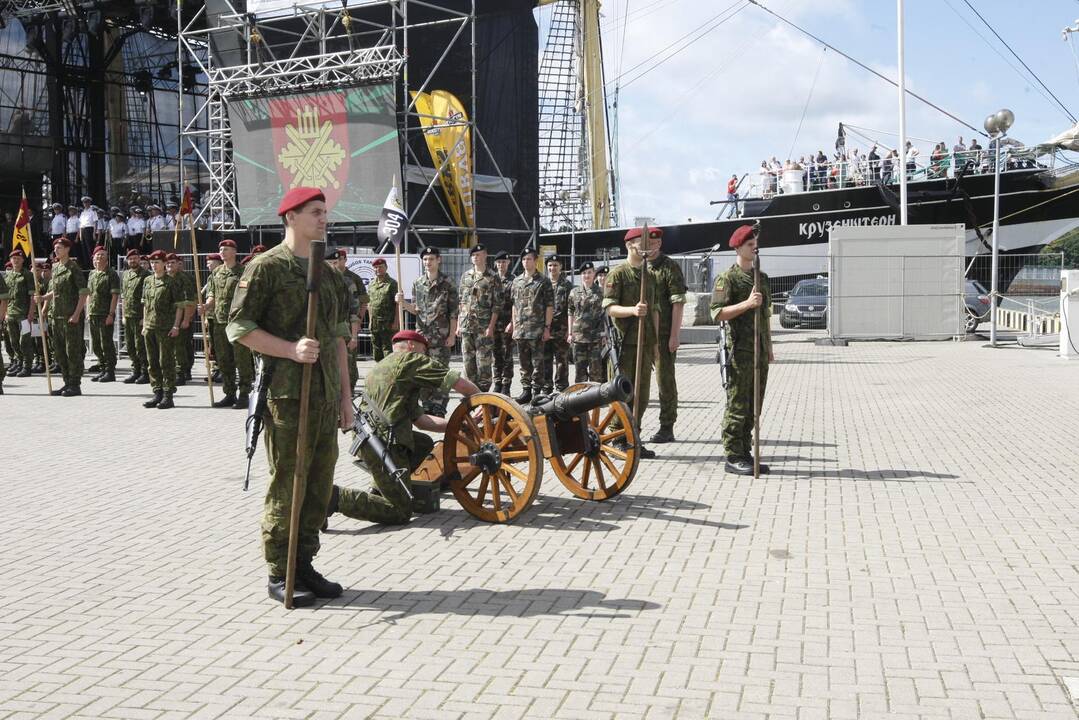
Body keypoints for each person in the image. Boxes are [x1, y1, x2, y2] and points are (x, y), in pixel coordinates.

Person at [227, 186, 352, 607]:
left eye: (325, 212)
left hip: (324, 397)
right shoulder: (266, 268)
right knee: (289, 484)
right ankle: (280, 571)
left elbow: (337, 341)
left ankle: (304, 563)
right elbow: (239, 328)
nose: (323, 219)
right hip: (286, 398)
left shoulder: (330, 274)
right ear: (290, 217)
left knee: (318, 487)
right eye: (315, 212)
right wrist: (290, 349)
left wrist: (346, 401)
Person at [324, 330, 481, 528]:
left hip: (371, 441)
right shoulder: (410, 360)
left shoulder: (383, 367)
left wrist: (458, 425)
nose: (425, 358)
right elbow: (455, 382)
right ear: (412, 346)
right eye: (424, 352)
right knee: (400, 511)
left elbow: (422, 421)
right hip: (385, 442)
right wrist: (483, 401)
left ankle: (381, 487)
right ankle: (334, 498)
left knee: (423, 443)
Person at [709, 224, 773, 476]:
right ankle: (733, 454)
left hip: (758, 350)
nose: (754, 247)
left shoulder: (762, 277)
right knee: (737, 405)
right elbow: (717, 313)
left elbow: (766, 315)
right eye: (749, 244)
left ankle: (746, 451)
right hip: (738, 352)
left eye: (755, 243)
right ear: (738, 247)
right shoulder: (728, 278)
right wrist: (746, 304)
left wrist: (768, 346)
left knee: (753, 406)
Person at [602, 227, 661, 459]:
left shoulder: (650, 276)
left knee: (642, 395)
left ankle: (634, 436)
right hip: (623, 346)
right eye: (640, 242)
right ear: (629, 245)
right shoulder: (618, 274)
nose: (645, 246)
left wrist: (655, 343)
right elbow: (609, 308)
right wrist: (632, 311)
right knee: (621, 394)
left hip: (644, 345)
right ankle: (617, 437)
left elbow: (654, 311)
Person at [397, 246, 458, 416]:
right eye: (425, 259)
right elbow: (416, 310)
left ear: (438, 260)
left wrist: (452, 335)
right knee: (422, 371)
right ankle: (426, 404)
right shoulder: (418, 283)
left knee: (440, 371)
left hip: (441, 336)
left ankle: (439, 404)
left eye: (431, 259)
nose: (427, 262)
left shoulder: (448, 283)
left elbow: (453, 312)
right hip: (422, 337)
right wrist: (403, 303)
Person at [35, 237, 88, 396]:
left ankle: (75, 384)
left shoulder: (74, 268)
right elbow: (56, 290)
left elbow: (83, 293)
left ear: (67, 249)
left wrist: (77, 314)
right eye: (55, 248)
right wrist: (44, 298)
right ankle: (66, 382)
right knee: (59, 352)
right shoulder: (56, 267)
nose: (56, 250)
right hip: (56, 316)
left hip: (70, 317)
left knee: (72, 351)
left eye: (60, 248)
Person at [648, 231, 688, 444]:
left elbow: (678, 303)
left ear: (660, 243)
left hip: (664, 335)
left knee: (665, 381)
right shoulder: (641, 266)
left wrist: (674, 335)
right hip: (643, 336)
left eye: (655, 243)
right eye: (648, 243)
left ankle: (667, 426)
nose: (652, 247)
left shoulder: (669, 267)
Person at [203, 239, 252, 408]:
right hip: (219, 321)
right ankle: (229, 393)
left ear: (234, 252)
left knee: (242, 359)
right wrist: (206, 306)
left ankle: (245, 394)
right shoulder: (216, 273)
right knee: (224, 360)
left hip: (237, 322)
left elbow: (249, 297)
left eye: (226, 249)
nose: (222, 252)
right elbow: (212, 296)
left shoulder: (244, 272)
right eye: (221, 249)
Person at [507, 247, 552, 404]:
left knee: (538, 362)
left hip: (537, 329)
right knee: (524, 362)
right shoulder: (517, 281)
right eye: (524, 259)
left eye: (529, 259)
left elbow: (549, 306)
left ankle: (536, 391)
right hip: (521, 330)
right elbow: (514, 305)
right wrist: (513, 325)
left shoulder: (543, 281)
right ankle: (526, 390)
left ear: (535, 260)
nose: (526, 262)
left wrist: (547, 328)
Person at [140, 250, 183, 409]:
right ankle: (157, 391)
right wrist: (144, 324)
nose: (154, 265)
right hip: (150, 326)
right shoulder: (148, 281)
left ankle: (168, 394)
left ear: (164, 264)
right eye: (152, 263)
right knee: (152, 362)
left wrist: (176, 326)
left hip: (165, 328)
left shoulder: (171, 282)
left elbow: (179, 306)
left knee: (166, 361)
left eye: (157, 262)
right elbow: (145, 304)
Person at [457, 243, 499, 392]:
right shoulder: (466, 277)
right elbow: (461, 301)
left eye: (479, 254)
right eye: (474, 255)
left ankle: (484, 394)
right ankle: (471, 393)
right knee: (468, 361)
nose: (476, 257)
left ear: (485, 255)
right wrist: (458, 325)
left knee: (484, 362)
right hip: (467, 325)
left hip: (483, 327)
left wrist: (491, 327)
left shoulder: (493, 277)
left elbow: (496, 305)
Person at [331, 248, 368, 393]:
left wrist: (358, 323)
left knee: (349, 361)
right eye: (333, 261)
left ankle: (349, 390)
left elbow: (362, 302)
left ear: (344, 260)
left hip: (347, 326)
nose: (336, 263)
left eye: (338, 260)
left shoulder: (352, 279)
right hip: (331, 328)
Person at [86, 245, 121, 383]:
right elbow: (89, 294)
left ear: (107, 258)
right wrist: (88, 311)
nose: (99, 258)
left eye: (102, 255)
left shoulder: (111, 273)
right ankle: (102, 367)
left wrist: (111, 314)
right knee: (96, 344)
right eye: (96, 256)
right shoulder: (92, 274)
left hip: (104, 313)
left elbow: (114, 296)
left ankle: (110, 371)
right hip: (94, 313)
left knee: (106, 343)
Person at [567, 261, 605, 383]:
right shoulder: (574, 292)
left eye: (589, 272)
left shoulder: (601, 292)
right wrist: (570, 333)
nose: (587, 275)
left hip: (596, 338)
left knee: (596, 372)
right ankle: (580, 399)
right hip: (578, 338)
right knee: (580, 372)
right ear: (581, 275)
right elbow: (570, 312)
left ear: (594, 274)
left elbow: (606, 315)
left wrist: (605, 335)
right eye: (584, 273)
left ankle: (596, 399)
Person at [542, 253, 572, 395]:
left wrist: (569, 331)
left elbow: (571, 309)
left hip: (561, 330)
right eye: (550, 265)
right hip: (545, 330)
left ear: (560, 267)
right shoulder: (543, 284)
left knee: (562, 361)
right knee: (545, 360)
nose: (552, 268)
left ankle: (562, 388)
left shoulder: (567, 286)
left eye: (555, 265)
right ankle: (547, 388)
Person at [165, 252, 197, 384]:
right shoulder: (165, 278)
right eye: (167, 263)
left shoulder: (184, 278)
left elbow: (190, 301)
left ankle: (182, 371)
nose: (169, 265)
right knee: (172, 346)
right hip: (168, 318)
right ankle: (176, 370)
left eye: (172, 262)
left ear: (178, 264)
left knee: (181, 346)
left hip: (183, 316)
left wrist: (186, 319)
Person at [4, 249, 35, 378]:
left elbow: (32, 296)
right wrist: (5, 312)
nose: (16, 261)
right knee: (14, 341)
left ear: (22, 260)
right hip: (11, 313)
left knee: (25, 341)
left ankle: (27, 366)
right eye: (13, 259)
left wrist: (31, 313)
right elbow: (6, 297)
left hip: (23, 313)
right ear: (10, 261)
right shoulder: (9, 275)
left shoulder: (27, 275)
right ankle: (19, 362)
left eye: (18, 258)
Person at [120, 249, 150, 384]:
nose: (133, 261)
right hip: (128, 315)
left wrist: (145, 317)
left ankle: (145, 372)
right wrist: (123, 315)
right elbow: (124, 296)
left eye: (135, 258)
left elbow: (147, 299)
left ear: (139, 259)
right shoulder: (125, 275)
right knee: (130, 345)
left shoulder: (146, 275)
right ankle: (135, 370)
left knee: (141, 346)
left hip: (139, 316)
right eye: (130, 259)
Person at [365, 257, 398, 362]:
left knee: (388, 352)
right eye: (375, 267)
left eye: (380, 267)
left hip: (388, 325)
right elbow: (369, 304)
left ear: (386, 268)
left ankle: (389, 375)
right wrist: (370, 321)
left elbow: (397, 304)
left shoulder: (392, 284)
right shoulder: (371, 284)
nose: (378, 269)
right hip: (375, 325)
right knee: (377, 352)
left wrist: (396, 322)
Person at [491, 250, 514, 394]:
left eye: (504, 262)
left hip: (506, 324)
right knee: (495, 355)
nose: (501, 265)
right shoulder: (491, 280)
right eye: (499, 262)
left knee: (507, 355)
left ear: (508, 263)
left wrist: (512, 322)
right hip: (493, 324)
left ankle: (506, 385)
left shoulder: (514, 281)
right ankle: (497, 382)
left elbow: (516, 304)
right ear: (495, 264)